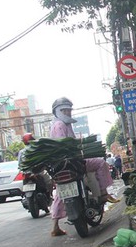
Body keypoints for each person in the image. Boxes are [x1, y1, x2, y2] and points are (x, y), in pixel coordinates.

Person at [48, 97, 116, 237]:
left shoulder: (58, 125)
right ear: (57, 111)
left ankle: (55, 226)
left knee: (62, 191)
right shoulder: (60, 125)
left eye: (69, 110)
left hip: (61, 167)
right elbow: (66, 145)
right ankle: (103, 194)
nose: (68, 112)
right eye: (64, 110)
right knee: (100, 163)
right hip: (73, 163)